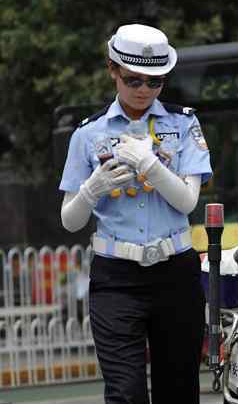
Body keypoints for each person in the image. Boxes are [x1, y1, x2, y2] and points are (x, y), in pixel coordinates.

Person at [59, 24, 212, 404]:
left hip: (175, 272)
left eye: (155, 81)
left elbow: (188, 202)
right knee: (125, 393)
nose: (144, 90)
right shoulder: (88, 133)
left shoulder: (184, 122)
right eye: (133, 80)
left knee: (177, 391)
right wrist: (92, 189)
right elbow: (70, 220)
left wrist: (152, 167)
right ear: (112, 69)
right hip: (117, 278)